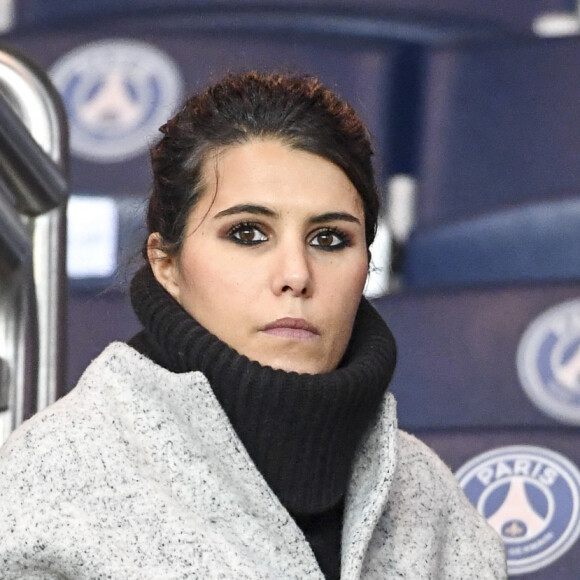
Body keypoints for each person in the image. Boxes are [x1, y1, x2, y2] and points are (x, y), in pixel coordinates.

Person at [0, 71, 507, 579]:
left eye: (330, 239)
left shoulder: (426, 492)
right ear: (166, 265)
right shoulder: (51, 483)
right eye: (247, 233)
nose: (295, 275)